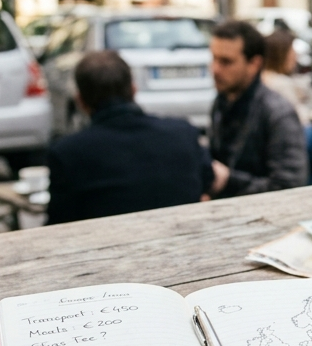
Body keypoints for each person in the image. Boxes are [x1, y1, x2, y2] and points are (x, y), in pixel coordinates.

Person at [46, 51, 210, 224]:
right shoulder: (183, 133)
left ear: (80, 101)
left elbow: (59, 220)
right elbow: (207, 180)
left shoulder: (67, 153)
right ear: (133, 89)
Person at [207, 20, 307, 197]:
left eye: (226, 62)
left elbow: (289, 187)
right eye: (214, 58)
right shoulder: (222, 101)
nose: (215, 69)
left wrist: (228, 181)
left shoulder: (277, 113)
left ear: (254, 64)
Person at [261, 29, 312, 185]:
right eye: (291, 51)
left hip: (274, 139)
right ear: (281, 54)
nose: (295, 56)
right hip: (285, 140)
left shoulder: (265, 78)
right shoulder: (280, 84)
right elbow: (300, 118)